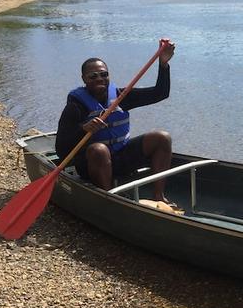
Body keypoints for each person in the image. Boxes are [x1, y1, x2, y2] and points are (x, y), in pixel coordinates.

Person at [55, 40, 176, 203]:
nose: (100, 79)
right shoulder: (75, 107)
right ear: (84, 79)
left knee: (162, 138)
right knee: (99, 149)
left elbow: (160, 93)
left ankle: (159, 196)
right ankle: (109, 200)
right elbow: (61, 149)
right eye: (93, 76)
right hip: (92, 164)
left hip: (121, 157)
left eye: (104, 74)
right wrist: (84, 129)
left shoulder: (120, 96)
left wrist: (163, 64)